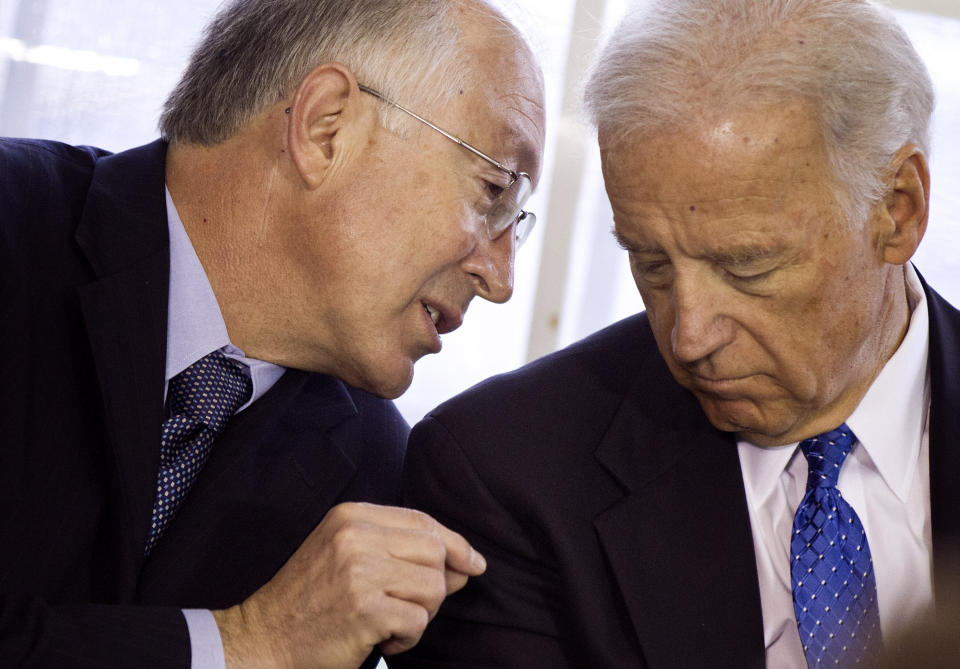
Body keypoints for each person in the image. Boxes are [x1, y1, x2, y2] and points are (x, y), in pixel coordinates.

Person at [393, 0, 958, 667]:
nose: (689, 337)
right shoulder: (502, 477)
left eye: (746, 266)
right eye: (651, 263)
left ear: (898, 210)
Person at [0, 0, 545, 666]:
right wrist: (249, 642)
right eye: (493, 191)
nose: (501, 278)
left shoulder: (381, 473)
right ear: (325, 127)